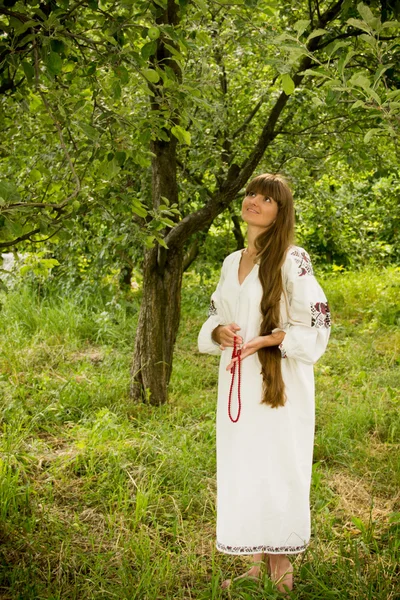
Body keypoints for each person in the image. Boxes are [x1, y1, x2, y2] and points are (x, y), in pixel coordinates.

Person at [197, 173, 331, 592]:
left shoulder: (293, 258)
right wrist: (219, 333)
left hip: (279, 384)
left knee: (278, 467)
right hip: (237, 381)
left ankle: (282, 572)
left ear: (280, 211)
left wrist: (268, 340)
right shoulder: (230, 260)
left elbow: (318, 323)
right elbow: (219, 314)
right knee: (245, 466)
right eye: (251, 193)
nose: (254, 201)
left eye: (266, 198)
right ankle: (253, 566)